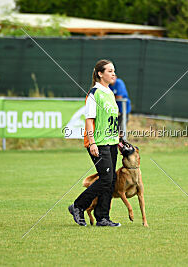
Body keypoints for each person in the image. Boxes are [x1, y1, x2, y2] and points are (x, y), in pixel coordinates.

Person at [68, 59, 121, 227]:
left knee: (111, 180)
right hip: (98, 142)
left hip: (111, 142)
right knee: (106, 178)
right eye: (110, 71)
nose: (113, 74)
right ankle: (78, 206)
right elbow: (90, 120)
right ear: (100, 73)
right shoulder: (94, 93)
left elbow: (111, 119)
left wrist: (118, 137)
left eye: (114, 71)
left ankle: (102, 218)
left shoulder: (110, 92)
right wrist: (92, 143)